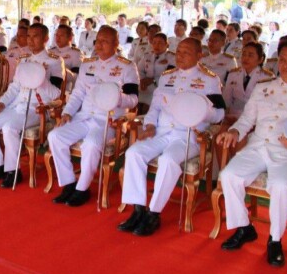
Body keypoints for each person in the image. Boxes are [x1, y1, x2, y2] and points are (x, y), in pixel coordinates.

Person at [217, 39, 287, 267]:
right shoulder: (263, 86)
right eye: (282, 60)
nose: (285, 65)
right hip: (257, 147)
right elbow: (247, 119)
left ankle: (274, 240)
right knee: (228, 176)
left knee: (282, 186)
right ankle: (244, 228)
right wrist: (235, 131)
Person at [118, 38, 225, 236]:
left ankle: (153, 213)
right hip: (161, 131)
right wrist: (149, 125)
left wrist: (202, 110)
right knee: (133, 153)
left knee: (167, 160)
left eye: (186, 52)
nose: (180, 56)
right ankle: (138, 209)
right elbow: (155, 107)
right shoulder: (167, 77)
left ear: (199, 56)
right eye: (179, 52)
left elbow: (220, 114)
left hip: (187, 136)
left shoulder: (209, 80)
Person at [48, 26, 140, 206]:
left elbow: (134, 99)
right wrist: (67, 113)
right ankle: (68, 183)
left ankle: (82, 189)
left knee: (91, 144)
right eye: (98, 41)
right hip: (83, 117)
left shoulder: (127, 66)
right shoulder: (87, 64)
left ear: (116, 43)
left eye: (105, 41)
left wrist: (117, 98)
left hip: (107, 121)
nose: (99, 45)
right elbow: (78, 94)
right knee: (55, 136)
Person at [0, 23, 64, 188]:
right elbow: (14, 88)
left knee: (9, 128)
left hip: (36, 108)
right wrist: (2, 103)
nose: (30, 40)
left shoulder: (54, 61)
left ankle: (13, 171)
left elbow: (57, 94)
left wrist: (40, 79)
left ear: (46, 38)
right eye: (28, 36)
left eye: (35, 36)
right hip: (16, 106)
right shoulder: (24, 59)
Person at [223, 42, 273, 123]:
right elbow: (227, 99)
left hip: (254, 120)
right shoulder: (233, 74)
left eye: (250, 55)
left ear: (260, 59)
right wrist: (225, 116)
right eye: (244, 54)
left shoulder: (267, 78)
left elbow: (267, 104)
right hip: (232, 117)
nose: (245, 58)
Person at [137, 33, 175, 108]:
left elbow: (170, 75)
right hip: (145, 88)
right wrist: (142, 80)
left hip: (162, 89)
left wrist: (154, 80)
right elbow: (139, 70)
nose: (157, 45)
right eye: (154, 42)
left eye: (160, 43)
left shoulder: (172, 58)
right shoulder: (147, 56)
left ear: (167, 44)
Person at [49, 24, 83, 91]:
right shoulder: (50, 52)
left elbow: (77, 76)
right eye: (56, 35)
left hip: (65, 91)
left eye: (61, 35)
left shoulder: (76, 53)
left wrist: (62, 69)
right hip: (48, 89)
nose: (58, 38)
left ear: (70, 38)